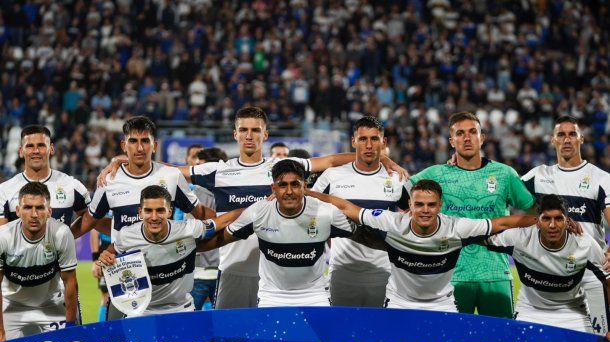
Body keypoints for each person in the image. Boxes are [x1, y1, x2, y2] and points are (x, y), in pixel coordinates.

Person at [99, 107, 407, 309]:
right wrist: (123, 162)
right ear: (235, 134)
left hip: (276, 275)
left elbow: (331, 160)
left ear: (265, 135)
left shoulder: (283, 168)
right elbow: (167, 171)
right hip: (234, 270)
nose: (249, 136)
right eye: (244, 130)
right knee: (230, 341)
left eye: (255, 130)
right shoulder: (219, 171)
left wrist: (382, 159)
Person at [306, 180, 537, 311]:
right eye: (419, 205)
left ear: (440, 206)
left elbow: (502, 222)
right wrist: (305, 193)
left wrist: (543, 223)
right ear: (410, 204)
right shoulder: (392, 223)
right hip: (399, 304)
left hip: (442, 305)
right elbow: (347, 208)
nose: (425, 210)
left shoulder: (457, 227)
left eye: (431, 205)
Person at [74, 116, 215, 319]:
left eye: (145, 141)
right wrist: (59, 237)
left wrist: (229, 221)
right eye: (133, 141)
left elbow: (201, 215)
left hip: (168, 278)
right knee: (121, 337)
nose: (139, 148)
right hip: (126, 277)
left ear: (154, 145)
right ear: (124, 145)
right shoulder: (110, 182)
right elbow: (89, 222)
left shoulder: (171, 177)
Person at [408, 112, 535, 318]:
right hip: (450, 277)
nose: (467, 138)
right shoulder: (436, 174)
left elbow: (533, 209)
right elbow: (398, 195)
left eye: (472, 132)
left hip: (496, 275)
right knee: (450, 338)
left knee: (499, 337)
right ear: (451, 141)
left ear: (482, 138)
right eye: (460, 133)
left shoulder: (505, 174)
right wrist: (388, 162)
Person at [199, 160, 355, 307]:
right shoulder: (258, 212)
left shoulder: (325, 212)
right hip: (272, 297)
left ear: (304, 187)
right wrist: (191, 248)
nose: (289, 191)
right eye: (282, 185)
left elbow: (360, 235)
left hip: (315, 296)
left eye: (295, 184)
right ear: (273, 188)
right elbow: (221, 240)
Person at [522, 115, 610, 335]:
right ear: (553, 140)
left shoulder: (601, 179)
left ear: (581, 139)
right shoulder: (538, 176)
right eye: (561, 135)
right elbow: (504, 192)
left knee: (601, 338)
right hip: (551, 274)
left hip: (590, 274)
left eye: (572, 134)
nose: (567, 139)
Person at [96, 185, 241, 316]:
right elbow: (112, 250)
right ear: (140, 212)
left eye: (160, 210)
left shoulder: (187, 230)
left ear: (169, 211)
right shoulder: (127, 235)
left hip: (181, 310)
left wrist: (253, 209)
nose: (154, 217)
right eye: (148, 211)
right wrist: (106, 255)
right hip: (141, 312)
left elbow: (224, 220)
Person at [312, 116, 408, 307]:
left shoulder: (397, 178)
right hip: (342, 272)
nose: (369, 145)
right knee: (342, 327)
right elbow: (309, 210)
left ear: (383, 142)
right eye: (363, 139)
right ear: (353, 141)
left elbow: (416, 215)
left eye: (374, 139)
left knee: (381, 326)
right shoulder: (332, 176)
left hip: (384, 272)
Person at [484, 194, 610, 334]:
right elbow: (479, 233)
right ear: (537, 221)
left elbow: (608, 281)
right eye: (546, 219)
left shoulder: (585, 244)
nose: (552, 225)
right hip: (529, 313)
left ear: (567, 221)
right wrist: (523, 221)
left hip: (573, 315)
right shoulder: (519, 239)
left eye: (558, 219)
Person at [0, 182, 78, 341]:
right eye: (28, 207)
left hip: (50, 305)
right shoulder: (4, 237)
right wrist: (1, 331)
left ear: (49, 212)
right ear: (18, 211)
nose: (34, 214)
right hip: (12, 306)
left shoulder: (61, 233)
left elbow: (70, 282)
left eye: (40, 208)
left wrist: (70, 326)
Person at [0, 125, 91, 227]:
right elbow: (2, 233)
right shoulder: (4, 191)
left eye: (41, 145)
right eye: (30, 146)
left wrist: (67, 234)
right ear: (21, 151)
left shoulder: (71, 185)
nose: (36, 151)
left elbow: (92, 218)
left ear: (51, 148)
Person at [174, 146, 229, 310]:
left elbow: (193, 232)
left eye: (199, 167)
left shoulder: (195, 194)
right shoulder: (232, 192)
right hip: (221, 269)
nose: (196, 172)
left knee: (190, 321)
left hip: (201, 271)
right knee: (225, 321)